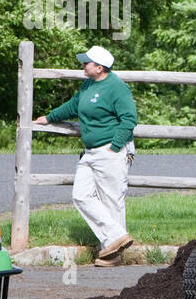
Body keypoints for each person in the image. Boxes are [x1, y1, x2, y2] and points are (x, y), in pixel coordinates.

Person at [34, 45, 137, 266]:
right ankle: (116, 236)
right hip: (90, 152)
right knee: (81, 195)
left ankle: (112, 254)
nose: (83, 65)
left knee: (111, 200)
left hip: (110, 150)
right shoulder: (88, 84)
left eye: (86, 62)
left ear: (99, 67)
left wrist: (115, 146)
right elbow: (73, 105)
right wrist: (49, 117)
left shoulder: (117, 88)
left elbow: (129, 119)